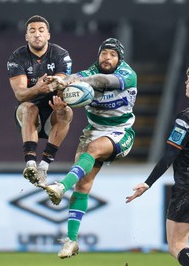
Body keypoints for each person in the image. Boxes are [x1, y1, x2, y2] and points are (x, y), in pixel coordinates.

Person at [126, 62, 189, 266]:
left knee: (176, 244)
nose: (186, 83)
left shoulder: (186, 118)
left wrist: (148, 183)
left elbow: (170, 155)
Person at [45, 38, 137, 259]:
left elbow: (102, 80)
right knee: (83, 185)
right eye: (104, 53)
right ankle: (72, 241)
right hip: (94, 130)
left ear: (119, 59)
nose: (107, 58)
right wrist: (62, 85)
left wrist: (78, 80)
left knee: (93, 150)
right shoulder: (89, 72)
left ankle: (60, 186)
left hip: (121, 132)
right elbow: (75, 78)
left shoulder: (127, 74)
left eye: (112, 54)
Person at [7, 15, 73, 188]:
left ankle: (44, 166)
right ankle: (30, 164)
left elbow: (60, 84)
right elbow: (20, 95)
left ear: (48, 35)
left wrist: (60, 94)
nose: (37, 34)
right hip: (29, 114)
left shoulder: (61, 55)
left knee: (67, 112)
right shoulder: (17, 57)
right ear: (26, 36)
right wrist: (38, 88)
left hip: (52, 111)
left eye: (41, 30)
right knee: (29, 108)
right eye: (32, 31)